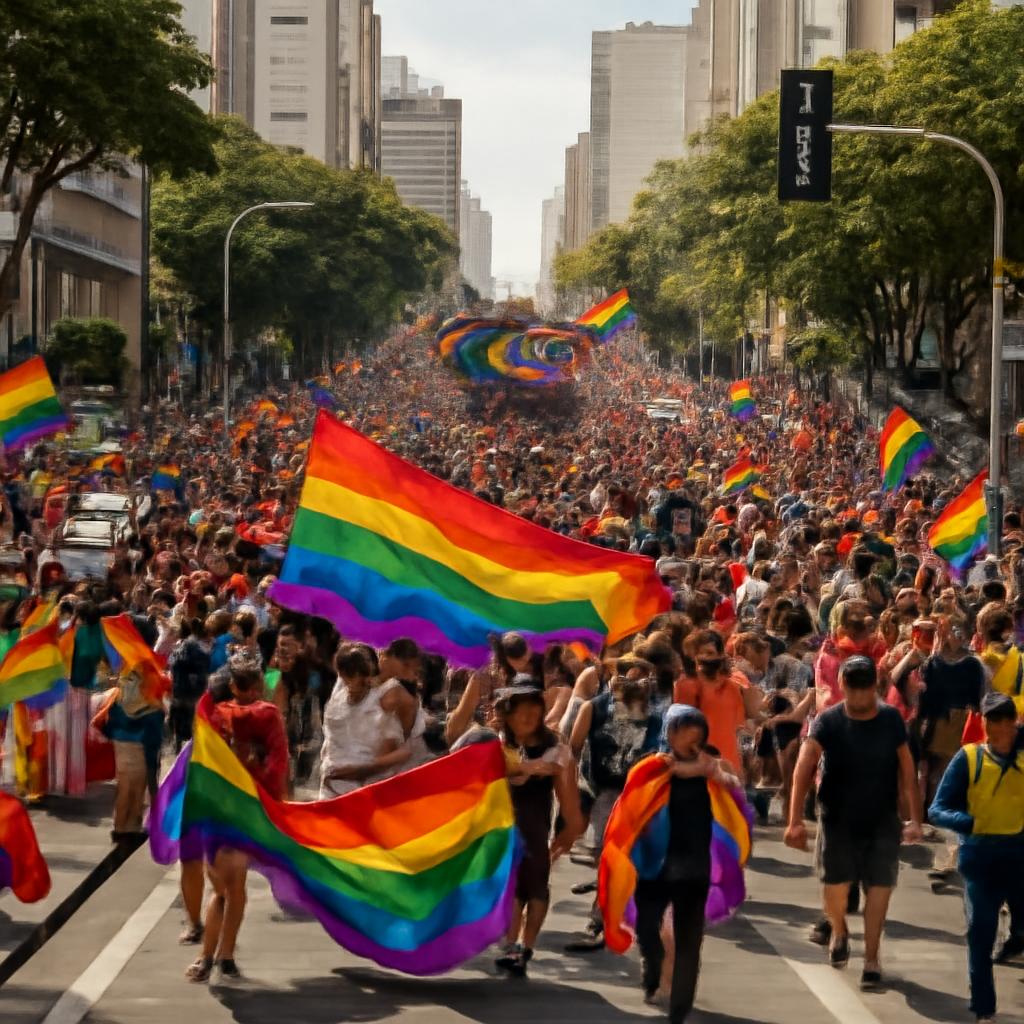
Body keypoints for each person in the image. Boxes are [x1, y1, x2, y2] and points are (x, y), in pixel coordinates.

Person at [785, 655, 923, 989]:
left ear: (874, 686)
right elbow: (804, 765)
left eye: (866, 689)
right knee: (835, 884)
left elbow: (907, 769)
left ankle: (872, 959)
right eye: (854, 689)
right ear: (843, 686)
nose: (860, 697)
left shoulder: (891, 720)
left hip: (882, 819)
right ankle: (839, 930)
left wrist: (914, 818)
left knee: (879, 889)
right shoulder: (829, 721)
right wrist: (794, 821)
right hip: (837, 818)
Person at [633, 704, 738, 1024]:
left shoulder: (712, 766)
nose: (688, 737)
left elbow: (733, 788)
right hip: (654, 865)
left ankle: (680, 1004)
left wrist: (712, 772)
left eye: (695, 730)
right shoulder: (651, 765)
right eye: (680, 730)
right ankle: (653, 973)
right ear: (669, 731)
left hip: (694, 864)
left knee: (688, 937)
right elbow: (631, 805)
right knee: (648, 929)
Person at [186, 656, 288, 983]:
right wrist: (275, 805)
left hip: (217, 811)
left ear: (232, 686)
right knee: (234, 888)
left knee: (221, 889)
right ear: (259, 686)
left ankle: (209, 956)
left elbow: (200, 764)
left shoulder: (213, 717)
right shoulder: (268, 716)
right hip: (247, 810)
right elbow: (277, 765)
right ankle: (223, 955)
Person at [928, 692, 1024, 1024]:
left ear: (1014, 723)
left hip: (1019, 854)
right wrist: (967, 822)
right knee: (980, 931)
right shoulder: (969, 758)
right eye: (990, 721)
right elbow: (937, 809)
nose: (996, 729)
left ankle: (1017, 937)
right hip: (980, 856)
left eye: (1002, 721)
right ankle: (984, 1008)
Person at [495, 681, 584, 977]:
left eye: (535, 707)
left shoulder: (555, 750)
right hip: (500, 831)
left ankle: (524, 946)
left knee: (534, 886)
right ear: (508, 714)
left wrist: (569, 831)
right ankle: (510, 944)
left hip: (534, 832)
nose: (529, 714)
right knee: (510, 888)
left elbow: (569, 800)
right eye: (521, 708)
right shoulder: (495, 743)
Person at [318, 643, 409, 797]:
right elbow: (330, 741)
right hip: (330, 787)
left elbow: (398, 751)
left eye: (359, 674)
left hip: (362, 790)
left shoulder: (381, 703)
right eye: (348, 676)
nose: (353, 682)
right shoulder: (337, 700)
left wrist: (364, 770)